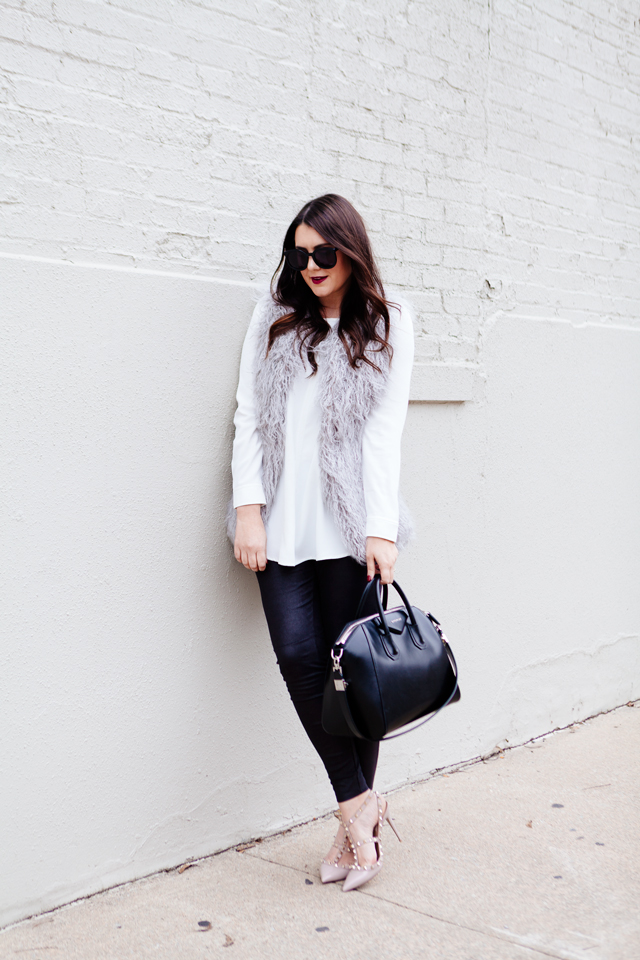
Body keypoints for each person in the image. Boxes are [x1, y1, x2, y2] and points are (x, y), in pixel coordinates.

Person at [227, 194, 414, 891]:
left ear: (351, 252)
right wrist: (250, 509)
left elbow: (385, 433)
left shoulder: (389, 324)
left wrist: (381, 531)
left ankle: (350, 832)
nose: (309, 266)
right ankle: (362, 805)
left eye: (323, 253)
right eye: (299, 253)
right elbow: (248, 414)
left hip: (348, 525)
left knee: (353, 675)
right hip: (278, 520)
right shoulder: (272, 317)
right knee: (298, 655)